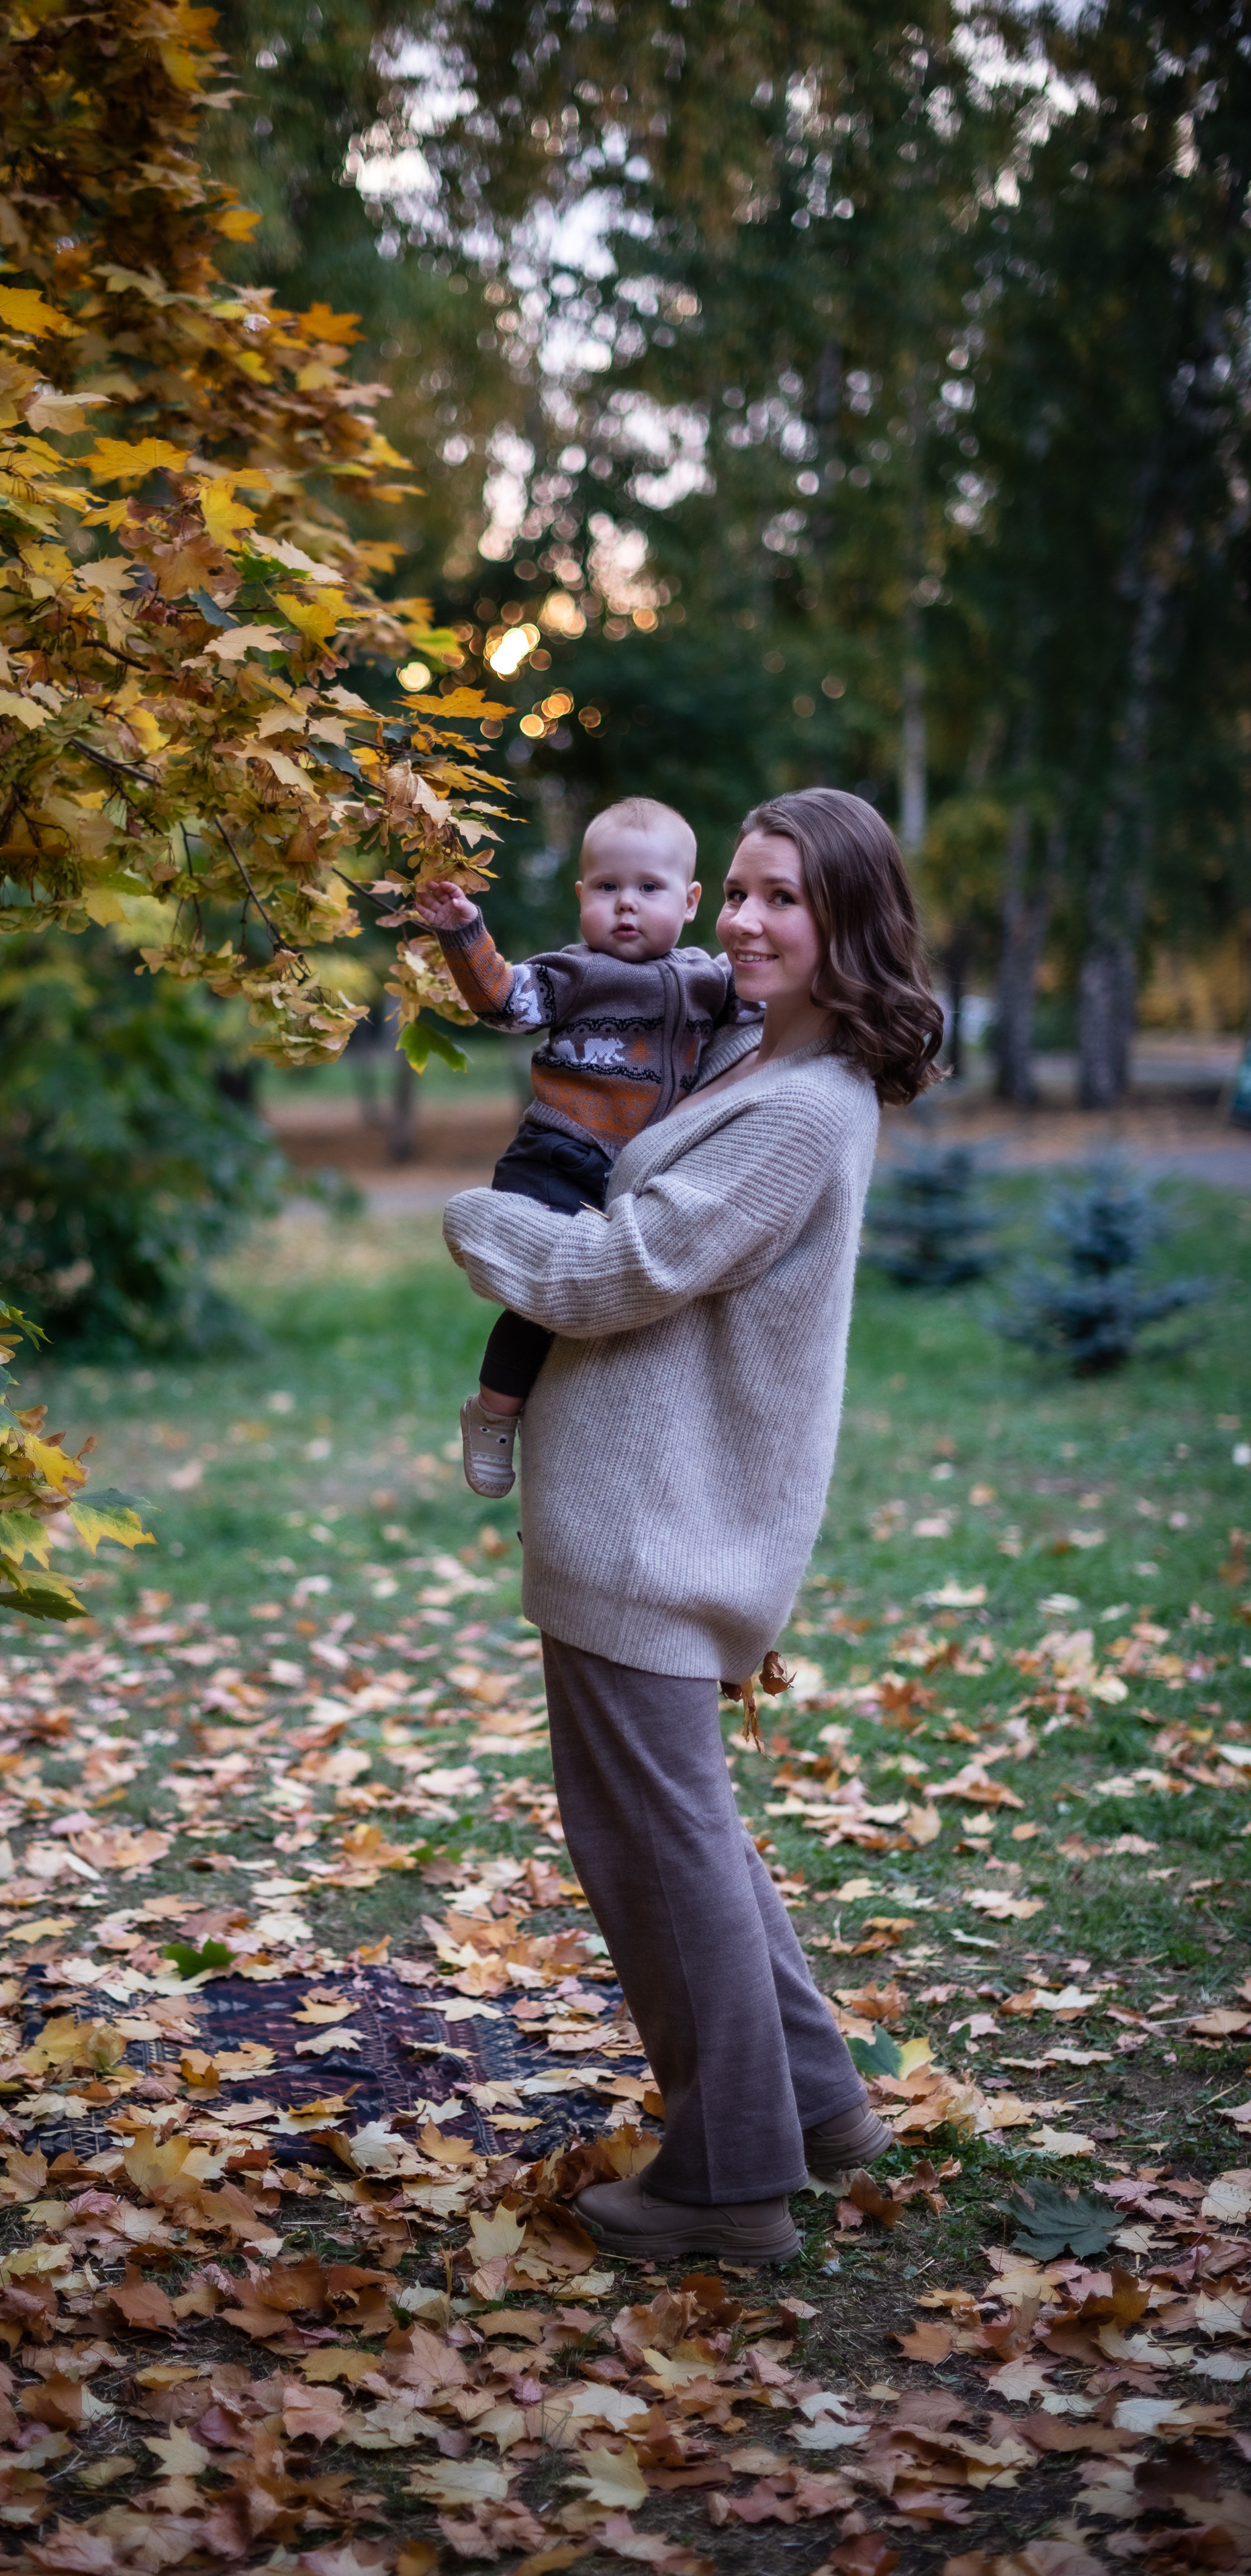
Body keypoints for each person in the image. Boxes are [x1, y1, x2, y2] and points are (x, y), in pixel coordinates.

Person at [441, 787, 945, 2266]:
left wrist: (480, 1225)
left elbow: (617, 1267)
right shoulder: (747, 1058)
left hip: (657, 1537)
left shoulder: (796, 1109)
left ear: (847, 920)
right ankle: (816, 2106)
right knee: (690, 1833)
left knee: (651, 1846)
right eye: (733, 891)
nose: (740, 919)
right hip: (640, 1525)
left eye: (781, 897)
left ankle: (727, 2181)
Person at [412, 797, 756, 1500]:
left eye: (648, 888)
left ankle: (584, 1430)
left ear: (691, 900)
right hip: (557, 1156)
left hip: (638, 1174)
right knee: (537, 1306)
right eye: (606, 888)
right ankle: (493, 1414)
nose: (625, 905)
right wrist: (463, 934)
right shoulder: (574, 974)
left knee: (609, 1302)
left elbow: (764, 1003)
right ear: (581, 897)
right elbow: (504, 1002)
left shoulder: (707, 980)